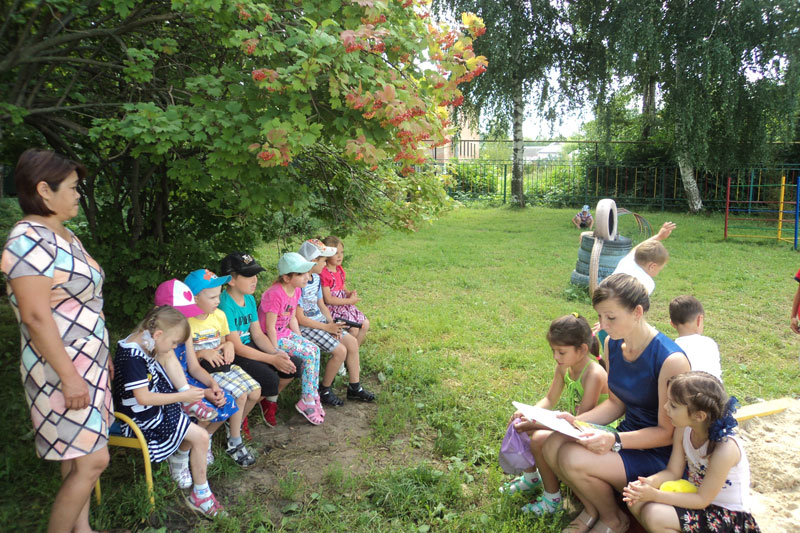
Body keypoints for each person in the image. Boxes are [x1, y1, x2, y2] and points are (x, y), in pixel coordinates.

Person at [1, 149, 112, 533]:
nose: (79, 194)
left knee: (77, 457)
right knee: (94, 461)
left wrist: (103, 359)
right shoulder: (27, 240)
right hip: (60, 370)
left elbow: (86, 303)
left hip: (88, 365)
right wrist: (69, 377)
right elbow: (35, 316)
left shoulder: (65, 235)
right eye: (73, 187)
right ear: (44, 190)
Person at [542, 273, 690, 533]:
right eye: (600, 316)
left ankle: (614, 520)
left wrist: (615, 440)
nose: (603, 325)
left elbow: (667, 433)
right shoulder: (612, 344)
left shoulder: (671, 360)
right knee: (553, 442)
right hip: (625, 436)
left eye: (611, 317)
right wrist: (576, 421)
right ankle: (593, 510)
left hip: (658, 453)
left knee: (571, 457)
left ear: (637, 312)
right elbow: (616, 403)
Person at [113, 305, 225, 517]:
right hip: (140, 418)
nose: (174, 347)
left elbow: (165, 360)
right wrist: (183, 397)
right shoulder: (132, 357)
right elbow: (143, 398)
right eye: (174, 342)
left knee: (196, 422)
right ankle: (201, 495)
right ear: (158, 334)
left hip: (152, 406)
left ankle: (196, 485)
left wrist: (187, 393)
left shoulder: (145, 339)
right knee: (201, 436)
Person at [622, 372, 761, 533]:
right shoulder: (684, 430)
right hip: (699, 503)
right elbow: (673, 472)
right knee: (635, 500)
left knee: (655, 515)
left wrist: (654, 495)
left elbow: (702, 499)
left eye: (673, 405)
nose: (665, 407)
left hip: (729, 517)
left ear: (699, 416)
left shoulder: (724, 448)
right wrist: (648, 483)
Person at [500, 313, 608, 516]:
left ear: (582, 349)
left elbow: (582, 421)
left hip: (595, 430)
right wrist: (527, 412)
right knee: (522, 423)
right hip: (574, 424)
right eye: (553, 351)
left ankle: (552, 500)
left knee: (538, 437)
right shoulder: (564, 367)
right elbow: (549, 399)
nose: (556, 357)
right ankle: (531, 478)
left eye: (561, 352)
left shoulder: (593, 374)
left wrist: (536, 423)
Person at [154, 279, 240, 470]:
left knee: (226, 400)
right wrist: (204, 393)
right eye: (180, 315)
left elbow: (193, 367)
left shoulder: (183, 331)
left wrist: (212, 384)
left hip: (188, 381)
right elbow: (167, 380)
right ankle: (181, 454)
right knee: (206, 408)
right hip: (170, 389)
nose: (184, 320)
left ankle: (200, 442)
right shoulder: (157, 340)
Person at [184, 268, 261, 468]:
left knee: (255, 391)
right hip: (203, 370)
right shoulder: (187, 323)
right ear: (194, 299)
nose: (218, 300)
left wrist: (228, 346)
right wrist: (202, 353)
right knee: (240, 395)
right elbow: (184, 358)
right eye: (212, 297)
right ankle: (233, 441)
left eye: (218, 295)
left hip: (223, 366)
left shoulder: (219, 316)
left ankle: (226, 428)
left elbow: (225, 341)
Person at [218, 251, 304, 427]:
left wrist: (275, 353)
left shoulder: (249, 299)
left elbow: (257, 334)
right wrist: (271, 359)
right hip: (233, 353)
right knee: (270, 379)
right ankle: (235, 419)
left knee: (293, 365)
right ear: (231, 280)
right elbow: (236, 346)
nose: (255, 280)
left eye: (255, 274)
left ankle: (256, 405)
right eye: (248, 275)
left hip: (249, 346)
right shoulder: (224, 304)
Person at [296, 239, 375, 405]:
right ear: (313, 261)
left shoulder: (315, 278)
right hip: (307, 326)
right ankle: (325, 389)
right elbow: (300, 319)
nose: (325, 264)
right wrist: (327, 327)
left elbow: (321, 305)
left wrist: (333, 325)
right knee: (340, 351)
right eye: (323, 261)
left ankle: (355, 387)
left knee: (352, 343)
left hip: (322, 322)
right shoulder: (299, 283)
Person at [259, 252, 324, 425]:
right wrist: (275, 352)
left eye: (307, 272)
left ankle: (313, 394)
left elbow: (292, 318)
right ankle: (306, 401)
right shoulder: (275, 294)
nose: (307, 277)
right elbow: (269, 327)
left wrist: (301, 340)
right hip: (270, 337)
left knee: (314, 349)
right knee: (308, 354)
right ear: (287, 278)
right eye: (301, 274)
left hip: (284, 333)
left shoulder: (296, 290)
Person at [320, 236, 370, 346]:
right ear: (326, 255)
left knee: (365, 324)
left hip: (344, 306)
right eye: (336, 253)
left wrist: (348, 293)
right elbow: (328, 299)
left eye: (342, 252)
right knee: (354, 330)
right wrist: (349, 301)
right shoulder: (324, 273)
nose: (340, 256)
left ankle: (354, 351)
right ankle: (346, 351)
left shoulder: (339, 270)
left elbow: (342, 287)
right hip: (333, 309)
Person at [612, 221, 676, 295]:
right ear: (652, 266)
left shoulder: (627, 262)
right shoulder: (647, 283)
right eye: (659, 269)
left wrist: (658, 236)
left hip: (604, 296)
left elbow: (636, 248)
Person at [669, 295, 722, 381]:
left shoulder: (671, 350)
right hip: (714, 388)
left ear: (672, 324)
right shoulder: (710, 343)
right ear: (699, 319)